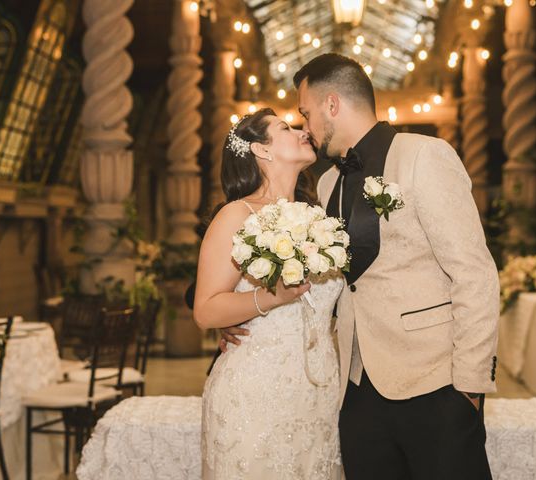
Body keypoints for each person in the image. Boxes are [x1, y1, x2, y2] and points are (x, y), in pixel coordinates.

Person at [223, 53, 500, 480]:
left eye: (306, 113)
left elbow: (474, 272)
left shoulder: (424, 155)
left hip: (435, 383)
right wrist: (242, 310)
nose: (306, 126)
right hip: (355, 390)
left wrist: (469, 385)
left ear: (332, 105)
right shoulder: (328, 182)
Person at [194, 108, 343, 479]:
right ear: (261, 150)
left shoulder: (318, 216)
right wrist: (268, 299)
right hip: (256, 393)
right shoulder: (236, 215)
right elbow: (206, 310)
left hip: (320, 394)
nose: (302, 132)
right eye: (286, 128)